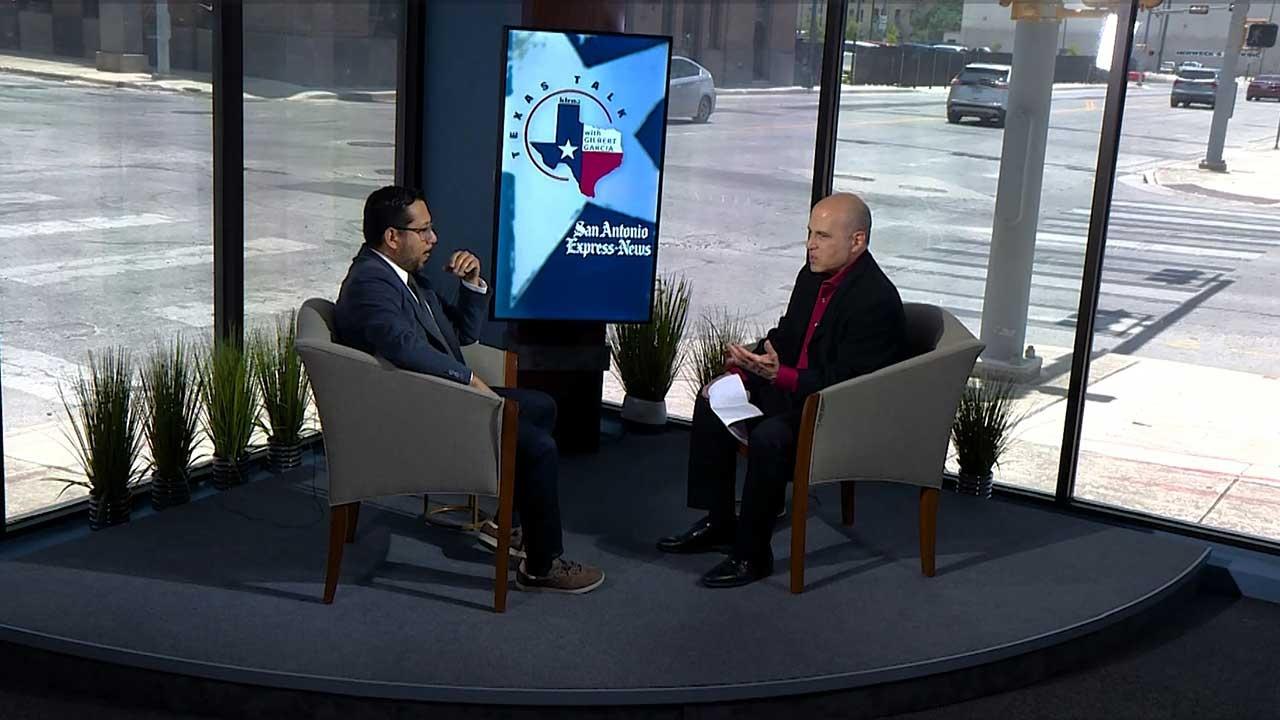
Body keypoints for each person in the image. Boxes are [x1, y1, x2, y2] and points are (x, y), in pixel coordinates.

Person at [333, 185, 604, 595]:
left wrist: (473, 283)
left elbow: (460, 333)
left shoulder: (403, 278)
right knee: (538, 446)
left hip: (427, 397)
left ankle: (507, 526)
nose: (434, 239)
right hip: (411, 416)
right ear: (392, 237)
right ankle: (542, 565)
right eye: (423, 231)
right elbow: (403, 348)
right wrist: (467, 381)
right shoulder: (371, 285)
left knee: (541, 406)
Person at [656, 192, 906, 588]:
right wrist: (747, 369)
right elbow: (786, 337)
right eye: (809, 233)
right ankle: (720, 522)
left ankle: (752, 554)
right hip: (794, 391)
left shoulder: (875, 301)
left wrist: (780, 377)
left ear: (857, 241)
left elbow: (848, 384)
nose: (810, 244)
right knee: (712, 398)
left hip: (837, 413)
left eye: (822, 236)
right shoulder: (810, 277)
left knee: (772, 437)